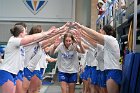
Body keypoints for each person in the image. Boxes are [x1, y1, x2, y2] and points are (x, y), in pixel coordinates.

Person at [0, 24, 58, 93]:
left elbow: (43, 39)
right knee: (29, 90)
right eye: (25, 32)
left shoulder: (23, 44)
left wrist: (59, 32)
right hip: (8, 71)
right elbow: (33, 37)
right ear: (21, 33)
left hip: (17, 71)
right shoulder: (14, 40)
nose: (26, 33)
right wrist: (49, 32)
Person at [74, 23, 122, 93]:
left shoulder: (111, 39)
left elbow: (95, 36)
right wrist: (80, 35)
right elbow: (91, 41)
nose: (100, 32)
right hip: (108, 70)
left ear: (105, 32)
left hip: (113, 70)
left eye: (101, 30)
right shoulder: (105, 44)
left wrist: (81, 27)